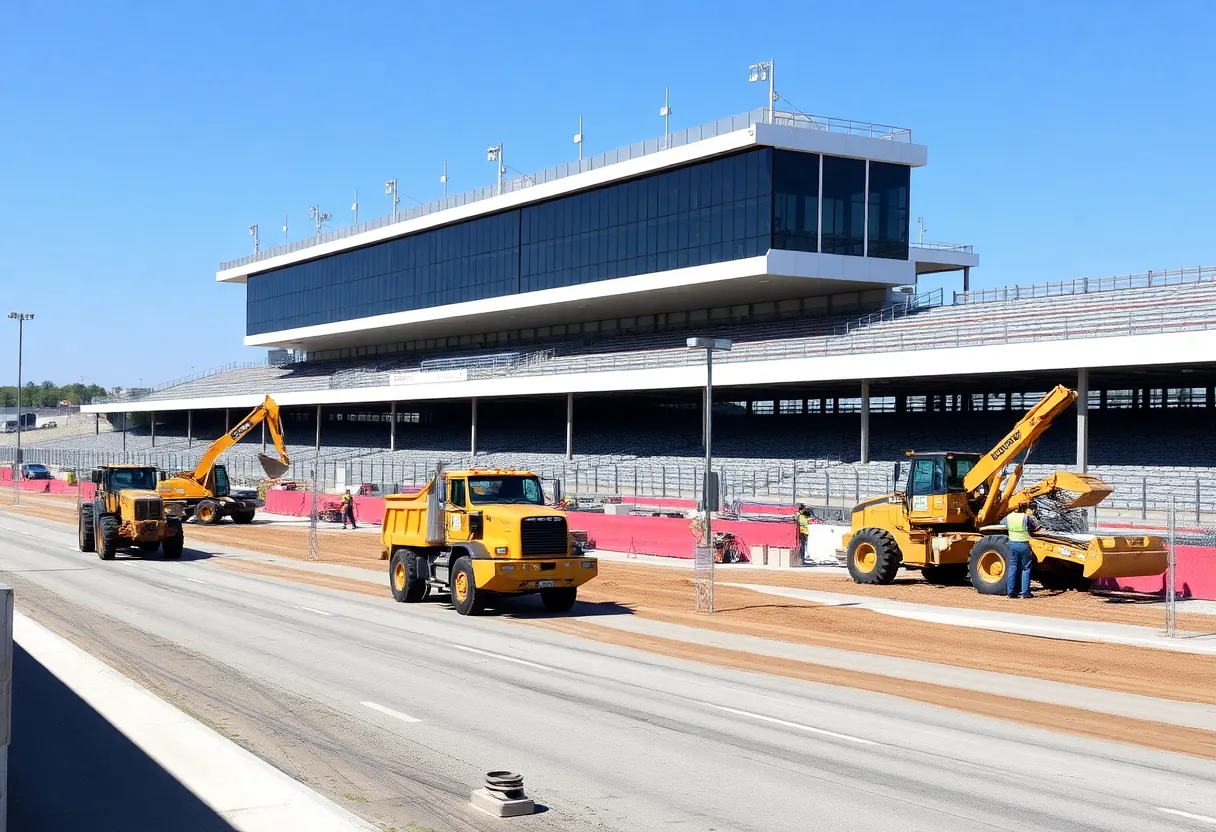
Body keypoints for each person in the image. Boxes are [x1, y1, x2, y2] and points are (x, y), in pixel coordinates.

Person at [1004, 502, 1040, 598]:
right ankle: (1025, 593)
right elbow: (1034, 528)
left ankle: (1011, 592)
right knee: (1026, 568)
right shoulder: (1025, 517)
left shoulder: (1008, 517)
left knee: (1013, 567)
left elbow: (1005, 526)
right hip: (1024, 544)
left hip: (1012, 544)